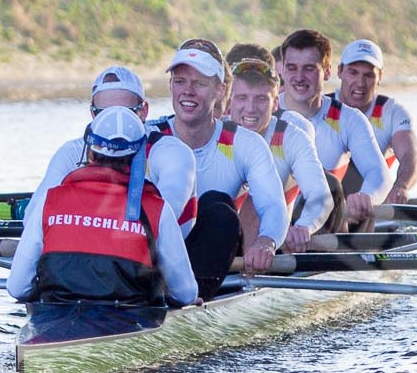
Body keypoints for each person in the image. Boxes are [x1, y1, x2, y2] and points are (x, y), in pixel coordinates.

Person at [8, 66, 199, 306]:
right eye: (105, 112)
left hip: (59, 310)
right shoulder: (157, 209)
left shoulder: (50, 201)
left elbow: (16, 288)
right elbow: (187, 295)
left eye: (126, 111)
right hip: (131, 306)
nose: (115, 119)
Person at [150, 43, 290, 298]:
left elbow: (273, 206)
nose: (188, 91)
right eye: (180, 82)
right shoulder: (146, 135)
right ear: (170, 86)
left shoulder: (246, 143)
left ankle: (188, 301)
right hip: (149, 255)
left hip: (205, 254)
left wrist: (266, 242)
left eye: (200, 84)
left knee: (220, 206)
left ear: (220, 90)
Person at [274, 28, 395, 231]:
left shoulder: (348, 119)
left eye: (309, 69)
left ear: (328, 71)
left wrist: (366, 197)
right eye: (292, 68)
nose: (299, 77)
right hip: (275, 224)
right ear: (282, 71)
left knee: (328, 186)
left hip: (325, 226)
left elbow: (379, 172)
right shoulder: (264, 114)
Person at [220, 45, 332, 244]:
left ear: (276, 104)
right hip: (219, 236)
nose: (250, 109)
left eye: (261, 99)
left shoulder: (292, 136)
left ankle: (256, 258)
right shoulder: (215, 131)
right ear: (229, 102)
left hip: (270, 240)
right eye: (242, 98)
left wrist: (304, 226)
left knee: (256, 199)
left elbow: (320, 196)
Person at [332, 38, 417, 203]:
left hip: (372, 207)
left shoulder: (392, 112)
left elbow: (410, 155)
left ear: (380, 77)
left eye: (369, 75)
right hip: (325, 208)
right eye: (353, 72)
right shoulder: (321, 108)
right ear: (339, 71)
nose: (360, 83)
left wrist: (401, 186)